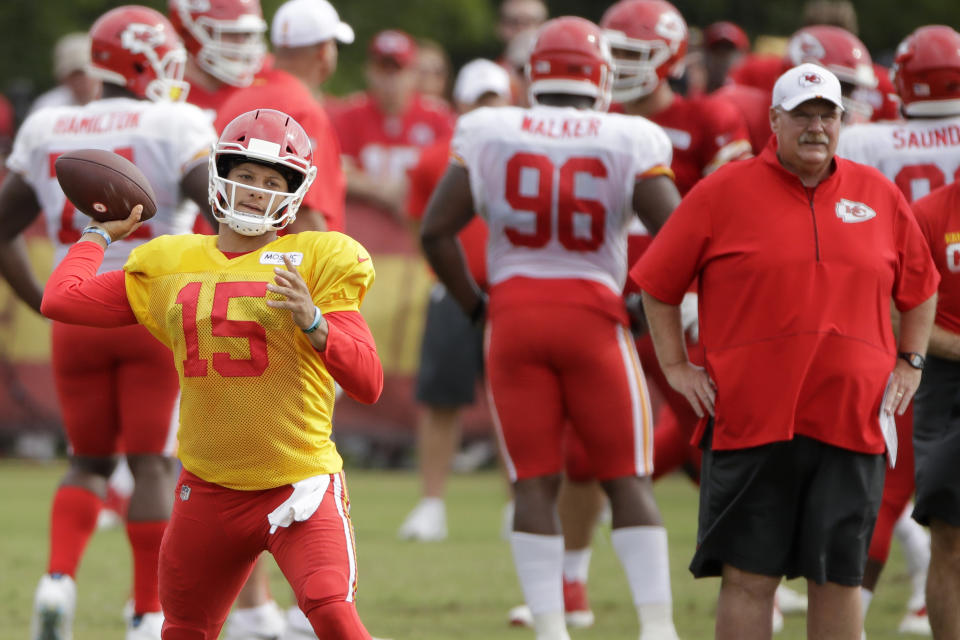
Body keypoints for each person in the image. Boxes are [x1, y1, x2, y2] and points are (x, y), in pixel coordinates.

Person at [40, 107, 383, 640]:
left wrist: (315, 322)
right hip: (208, 490)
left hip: (298, 484)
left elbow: (369, 381)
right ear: (220, 175)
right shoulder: (171, 260)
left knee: (332, 612)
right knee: (183, 630)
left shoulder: (315, 258)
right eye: (245, 175)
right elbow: (62, 299)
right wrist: (97, 235)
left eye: (272, 181)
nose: (256, 190)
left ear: (293, 195)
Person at [632, 62, 939, 640]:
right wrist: (675, 365)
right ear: (775, 120)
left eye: (828, 114)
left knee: (839, 578)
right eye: (803, 115)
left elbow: (921, 288)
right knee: (750, 577)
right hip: (750, 421)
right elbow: (657, 283)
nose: (817, 126)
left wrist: (911, 359)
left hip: (852, 421)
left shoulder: (878, 193)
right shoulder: (722, 190)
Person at [421, 17, 683, 640]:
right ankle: (657, 628)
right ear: (600, 75)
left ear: (532, 73)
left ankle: (550, 628)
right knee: (628, 478)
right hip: (594, 315)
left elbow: (436, 229)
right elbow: (681, 236)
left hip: (513, 316)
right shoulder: (630, 135)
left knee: (533, 481)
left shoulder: (490, 129)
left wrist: (477, 306)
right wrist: (643, 308)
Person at [0, 7, 216, 640]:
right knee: (152, 465)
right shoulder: (176, 121)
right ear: (143, 59)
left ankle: (57, 584)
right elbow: (217, 206)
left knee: (87, 461)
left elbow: (2, 226)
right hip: (151, 307)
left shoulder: (47, 124)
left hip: (77, 312)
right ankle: (147, 613)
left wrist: (43, 296)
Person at [841, 25, 960, 638]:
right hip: (935, 333)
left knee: (883, 490)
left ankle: (850, 619)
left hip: (888, 327)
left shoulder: (865, 139)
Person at [397, 59, 511, 543]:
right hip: (453, 291)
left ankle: (521, 501)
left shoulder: (527, 150)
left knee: (516, 400)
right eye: (480, 99)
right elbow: (421, 226)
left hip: (511, 288)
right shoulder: (434, 157)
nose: (488, 109)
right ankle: (431, 504)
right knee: (440, 401)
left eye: (495, 99)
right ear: (462, 104)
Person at [216, 0, 350, 234]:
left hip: (221, 255)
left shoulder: (239, 95)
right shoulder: (304, 111)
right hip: (273, 265)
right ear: (324, 51)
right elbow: (306, 218)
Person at [331, 29, 454, 217]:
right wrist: (381, 190)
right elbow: (334, 170)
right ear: (369, 71)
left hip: (419, 226)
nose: (390, 79)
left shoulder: (437, 117)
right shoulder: (349, 114)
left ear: (413, 73)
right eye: (383, 69)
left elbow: (452, 173)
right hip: (365, 226)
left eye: (397, 70)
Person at [168, 0, 268, 117]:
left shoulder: (268, 77)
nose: (241, 44)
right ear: (187, 33)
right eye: (229, 32)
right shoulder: (165, 94)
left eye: (247, 34)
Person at [29, 32, 101, 113]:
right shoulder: (47, 106)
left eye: (82, 73)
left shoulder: (111, 102)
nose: (79, 81)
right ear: (62, 79)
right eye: (72, 75)